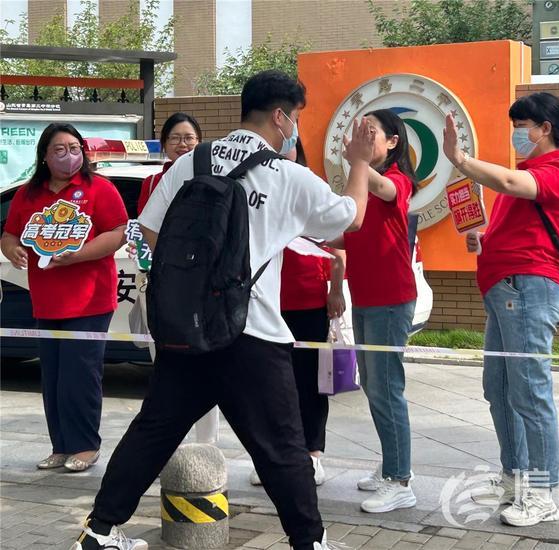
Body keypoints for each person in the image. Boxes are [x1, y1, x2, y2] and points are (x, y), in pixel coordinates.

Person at [69, 70, 374, 550]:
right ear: (280, 116)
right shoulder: (287, 175)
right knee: (282, 449)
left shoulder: (191, 161)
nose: (294, 126)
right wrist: (357, 162)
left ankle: (99, 531)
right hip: (251, 332)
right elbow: (351, 217)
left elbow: (149, 234)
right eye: (294, 117)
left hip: (186, 329)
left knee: (153, 431)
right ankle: (310, 543)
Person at [441, 92, 559, 527]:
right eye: (515, 124)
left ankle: (542, 491)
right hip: (506, 291)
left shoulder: (556, 171)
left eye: (523, 125)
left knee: (530, 392)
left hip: (529, 290)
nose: (517, 133)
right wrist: (482, 239)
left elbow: (509, 184)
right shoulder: (526, 172)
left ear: (546, 129)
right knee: (498, 389)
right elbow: (511, 206)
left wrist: (461, 160)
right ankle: (516, 476)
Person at [1, 123, 128, 473]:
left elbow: (118, 233)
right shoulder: (29, 194)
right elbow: (10, 234)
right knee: (54, 376)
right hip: (46, 301)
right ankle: (61, 445)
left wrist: (79, 254)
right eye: (59, 149)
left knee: (80, 374)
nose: (68, 155)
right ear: (44, 155)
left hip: (89, 300)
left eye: (74, 147)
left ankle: (86, 446)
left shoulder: (99, 189)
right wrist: (13, 251)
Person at [330, 109, 418, 514]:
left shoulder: (396, 181)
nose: (362, 138)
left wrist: (358, 160)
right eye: (358, 131)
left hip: (390, 299)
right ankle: (390, 466)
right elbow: (349, 231)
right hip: (367, 298)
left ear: (393, 142)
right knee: (374, 386)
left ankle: (400, 481)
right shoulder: (363, 179)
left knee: (386, 388)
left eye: (371, 132)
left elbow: (380, 188)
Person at [249, 139, 347, 487]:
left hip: (307, 301)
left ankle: (312, 454)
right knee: (272, 385)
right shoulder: (257, 185)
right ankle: (276, 455)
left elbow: (338, 248)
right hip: (266, 303)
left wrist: (335, 290)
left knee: (310, 382)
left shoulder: (309, 187)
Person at [133, 112, 217, 445]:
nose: (183, 145)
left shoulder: (214, 179)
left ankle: (205, 445)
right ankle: (169, 443)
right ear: (165, 144)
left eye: (189, 138)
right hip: (164, 283)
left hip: (202, 288)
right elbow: (145, 228)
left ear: (200, 143)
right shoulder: (152, 183)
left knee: (204, 367)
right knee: (166, 368)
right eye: (175, 139)